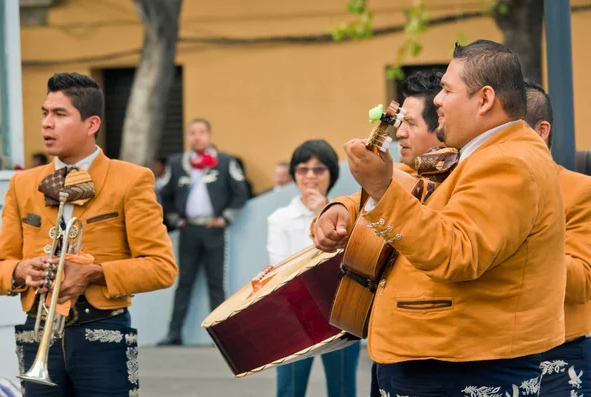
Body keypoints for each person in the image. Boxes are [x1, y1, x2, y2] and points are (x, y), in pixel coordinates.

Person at [312, 40, 566, 396]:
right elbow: (414, 189)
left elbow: (458, 252)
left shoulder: (509, 161)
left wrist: (382, 190)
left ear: (485, 99)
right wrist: (344, 206)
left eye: (447, 90)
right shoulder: (479, 153)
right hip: (440, 359)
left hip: (463, 367)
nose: (437, 100)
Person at [0, 72, 178, 396]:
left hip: (102, 333)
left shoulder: (131, 180)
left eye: (60, 114)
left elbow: (162, 267)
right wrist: (20, 270)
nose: (47, 123)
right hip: (37, 335)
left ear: (92, 124)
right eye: (45, 113)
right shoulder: (23, 184)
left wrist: (95, 273)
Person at [267, 139, 360, 397]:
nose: (310, 176)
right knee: (289, 390)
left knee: (343, 389)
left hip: (340, 313)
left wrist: (323, 211)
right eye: (302, 169)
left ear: (331, 173)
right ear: (294, 174)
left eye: (319, 169)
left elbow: (352, 259)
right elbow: (281, 267)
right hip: (294, 316)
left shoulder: (348, 213)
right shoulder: (279, 219)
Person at [523, 80, 591, 395]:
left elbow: (581, 282)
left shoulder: (579, 190)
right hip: (493, 353)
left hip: (561, 353)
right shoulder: (475, 190)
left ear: (541, 131)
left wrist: (524, 240)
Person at [157, 118, 249, 346]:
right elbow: (164, 194)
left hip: (213, 230)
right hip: (188, 230)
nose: (197, 136)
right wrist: (175, 219)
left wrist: (225, 218)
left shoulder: (225, 161)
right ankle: (173, 333)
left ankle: (221, 335)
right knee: (183, 282)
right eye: (192, 132)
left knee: (216, 283)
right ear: (188, 136)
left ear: (209, 136)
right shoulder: (177, 163)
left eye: (201, 132)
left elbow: (241, 192)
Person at [395, 70, 445, 175]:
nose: (399, 133)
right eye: (401, 122)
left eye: (410, 123)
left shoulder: (459, 179)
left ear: (441, 127)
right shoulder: (396, 173)